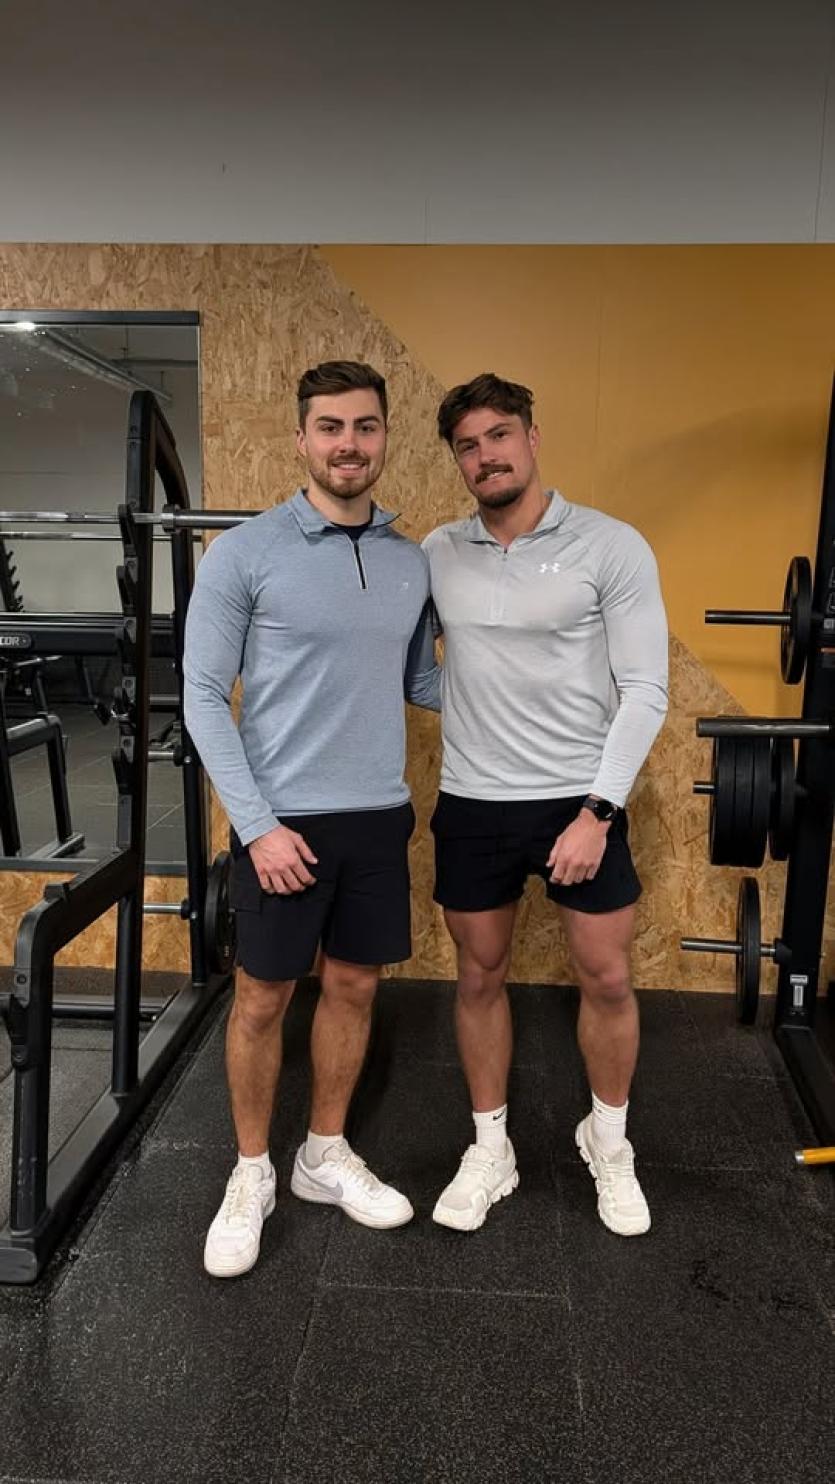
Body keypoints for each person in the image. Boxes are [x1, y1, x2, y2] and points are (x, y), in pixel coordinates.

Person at [184, 359, 440, 1278]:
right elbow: (203, 696)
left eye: (364, 426)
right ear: (300, 439)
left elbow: (422, 683)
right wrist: (256, 827)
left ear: (384, 437)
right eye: (329, 427)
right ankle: (251, 1171)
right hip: (281, 821)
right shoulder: (244, 554)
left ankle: (322, 1154)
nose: (348, 444)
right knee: (261, 997)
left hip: (375, 815)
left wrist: (546, 688)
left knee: (356, 987)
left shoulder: (411, 561)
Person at [423, 372, 668, 1237]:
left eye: (498, 435)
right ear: (457, 459)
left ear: (531, 438)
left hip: (577, 798)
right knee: (478, 974)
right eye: (467, 445)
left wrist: (596, 812)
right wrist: (466, 701)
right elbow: (413, 664)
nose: (484, 455)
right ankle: (491, 1147)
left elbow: (645, 689)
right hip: (472, 799)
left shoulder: (609, 545)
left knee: (605, 976)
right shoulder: (437, 551)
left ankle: (608, 1140)